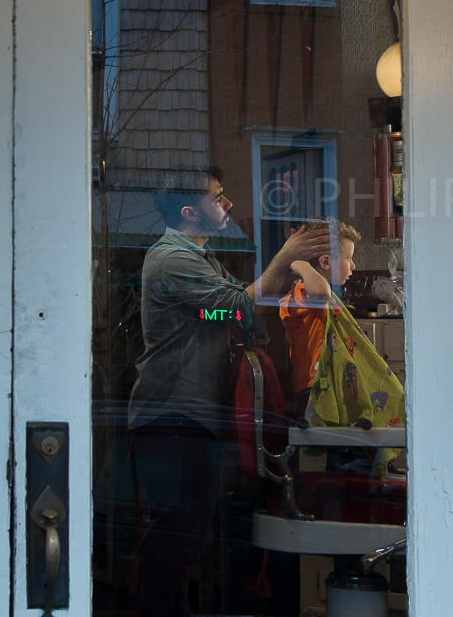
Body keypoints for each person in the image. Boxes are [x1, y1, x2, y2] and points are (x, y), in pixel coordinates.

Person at [128, 166, 328, 617]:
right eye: (217, 198)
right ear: (189, 212)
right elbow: (238, 308)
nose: (228, 204)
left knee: (184, 536)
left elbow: (230, 317)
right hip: (171, 420)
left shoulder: (203, 261)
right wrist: (285, 257)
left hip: (189, 421)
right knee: (173, 540)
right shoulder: (170, 261)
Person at [278, 219, 360, 419]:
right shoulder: (303, 291)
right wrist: (301, 265)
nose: (353, 265)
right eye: (348, 258)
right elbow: (320, 294)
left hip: (325, 382)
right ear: (324, 262)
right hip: (313, 386)